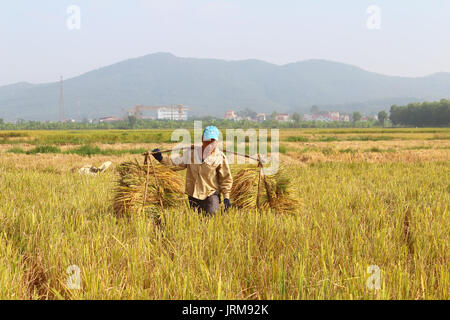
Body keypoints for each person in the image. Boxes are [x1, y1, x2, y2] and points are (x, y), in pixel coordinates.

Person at [152, 126, 232, 215]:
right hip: (193, 194)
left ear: (217, 142)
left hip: (210, 194)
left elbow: (226, 179)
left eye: (212, 141)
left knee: (211, 216)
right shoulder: (191, 153)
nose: (209, 144)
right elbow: (175, 164)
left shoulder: (219, 157)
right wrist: (160, 158)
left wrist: (226, 198)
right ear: (202, 139)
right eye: (207, 141)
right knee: (195, 220)